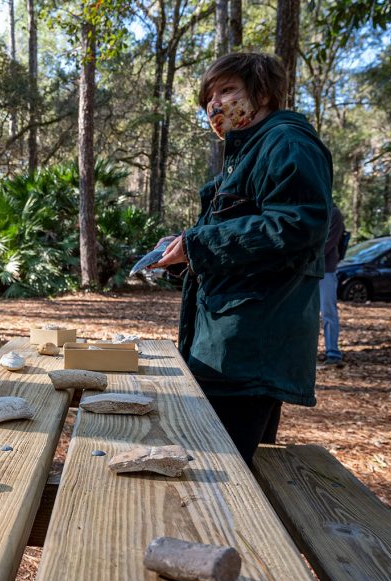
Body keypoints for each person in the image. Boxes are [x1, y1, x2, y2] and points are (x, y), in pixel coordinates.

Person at [156, 52, 333, 464]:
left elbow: (297, 226)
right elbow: (244, 241)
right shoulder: (247, 153)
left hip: (249, 348)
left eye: (227, 90)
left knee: (222, 473)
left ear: (264, 93)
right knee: (224, 466)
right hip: (227, 340)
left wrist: (200, 244)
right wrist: (187, 251)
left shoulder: (286, 142)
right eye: (209, 98)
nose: (215, 105)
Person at [320, 206, 346, 367]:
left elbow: (330, 241)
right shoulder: (312, 207)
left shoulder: (333, 212)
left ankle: (333, 351)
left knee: (328, 311)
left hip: (326, 271)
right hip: (307, 270)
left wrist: (305, 257)